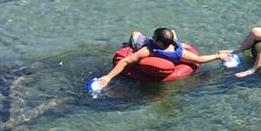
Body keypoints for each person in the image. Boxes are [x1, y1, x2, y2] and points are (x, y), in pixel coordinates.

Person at [88, 29, 235, 96]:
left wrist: (108, 77)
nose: (152, 38)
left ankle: (129, 46)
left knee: (135, 33)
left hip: (142, 47)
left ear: (157, 41)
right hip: (171, 47)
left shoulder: (148, 50)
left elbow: (125, 61)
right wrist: (218, 55)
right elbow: (199, 59)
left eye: (153, 37)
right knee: (172, 32)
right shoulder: (179, 52)